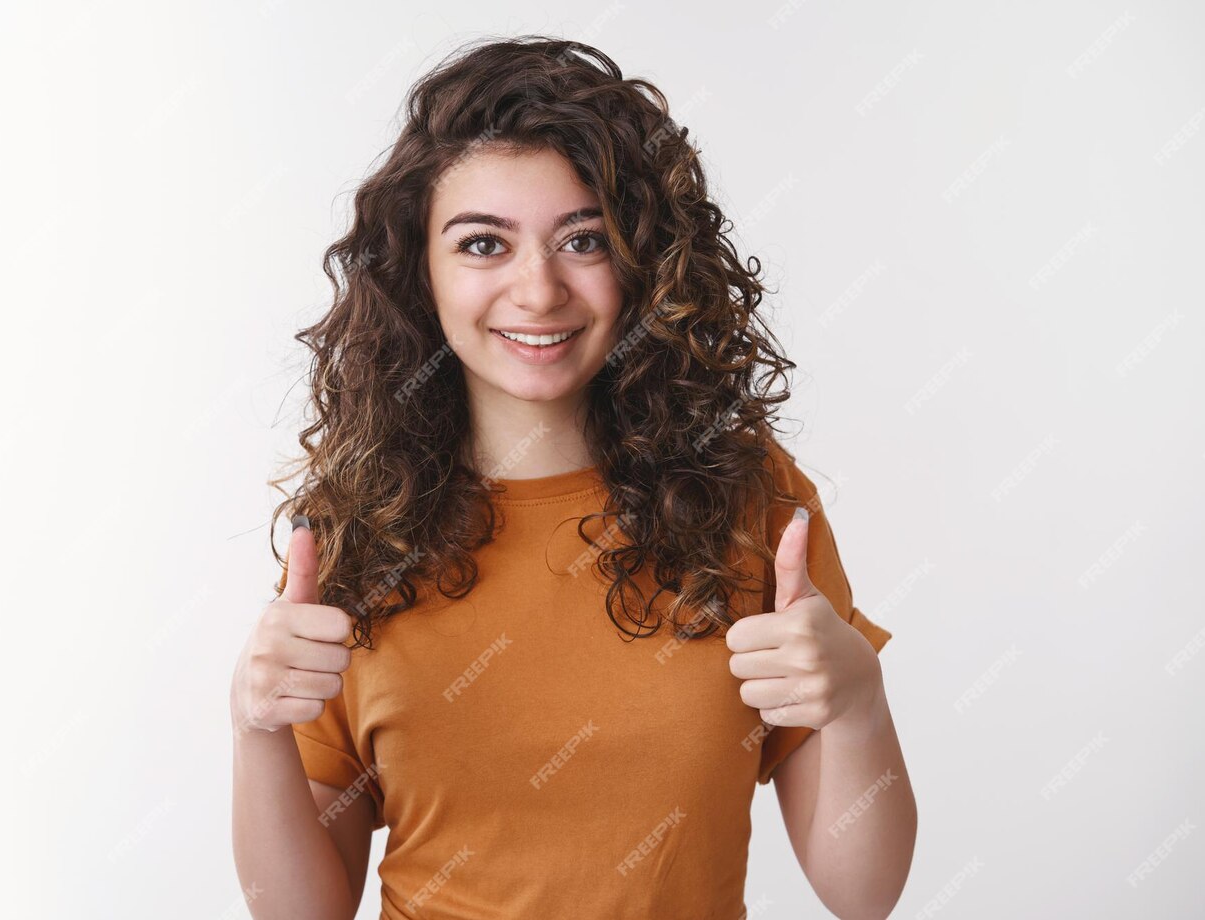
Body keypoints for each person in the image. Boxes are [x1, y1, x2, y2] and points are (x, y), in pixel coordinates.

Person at [230, 35, 916, 920]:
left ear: (643, 263)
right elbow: (297, 913)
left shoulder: (749, 502)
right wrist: (254, 731)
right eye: (483, 244)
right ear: (419, 270)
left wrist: (858, 702)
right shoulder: (357, 531)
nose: (539, 290)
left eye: (583, 240)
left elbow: (863, 896)